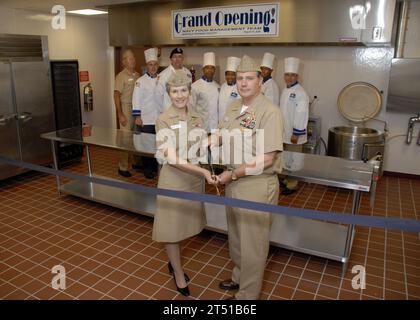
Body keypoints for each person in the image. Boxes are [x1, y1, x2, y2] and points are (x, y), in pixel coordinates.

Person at [212, 55, 284, 300]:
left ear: (260, 81)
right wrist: (206, 141)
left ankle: (247, 296)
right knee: (236, 237)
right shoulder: (234, 107)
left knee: (253, 245)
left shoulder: (269, 112)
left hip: (256, 184)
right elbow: (222, 132)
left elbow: (267, 158)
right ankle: (239, 277)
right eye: (240, 78)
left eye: (249, 78)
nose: (243, 83)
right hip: (233, 182)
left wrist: (232, 174)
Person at [153, 70, 218, 297]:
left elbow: (199, 147)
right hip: (173, 181)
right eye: (175, 91)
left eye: (183, 91)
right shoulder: (163, 119)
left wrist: (212, 148)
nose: (179, 96)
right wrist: (201, 170)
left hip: (192, 180)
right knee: (171, 230)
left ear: (189, 92)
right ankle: (178, 273)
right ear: (169, 94)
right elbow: (171, 157)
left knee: (185, 228)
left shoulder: (197, 117)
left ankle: (174, 262)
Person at [279, 57, 309, 195]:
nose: (289, 78)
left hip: (294, 134)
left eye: (292, 75)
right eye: (287, 75)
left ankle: (292, 185)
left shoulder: (301, 93)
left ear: (297, 76)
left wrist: (296, 133)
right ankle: (286, 180)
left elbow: (301, 113)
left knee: (294, 158)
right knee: (286, 158)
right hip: (285, 132)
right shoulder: (286, 90)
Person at [132, 47, 161, 179]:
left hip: (159, 119)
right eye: (150, 64)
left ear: (158, 65)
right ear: (147, 66)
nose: (153, 67)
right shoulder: (140, 81)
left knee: (157, 144)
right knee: (146, 145)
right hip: (146, 119)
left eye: (155, 64)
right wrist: (137, 116)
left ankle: (156, 167)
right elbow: (136, 100)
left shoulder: (162, 80)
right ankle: (148, 169)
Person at [114, 49, 140, 177]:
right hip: (125, 108)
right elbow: (116, 95)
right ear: (124, 61)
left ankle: (134, 162)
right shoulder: (121, 76)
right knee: (125, 138)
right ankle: (122, 167)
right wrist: (120, 114)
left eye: (134, 58)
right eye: (130, 58)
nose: (133, 60)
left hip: (136, 108)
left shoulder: (137, 75)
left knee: (135, 137)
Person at [190, 52, 220, 133]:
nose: (210, 70)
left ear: (215, 70)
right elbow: (190, 108)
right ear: (203, 69)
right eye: (207, 68)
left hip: (215, 128)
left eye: (212, 68)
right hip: (201, 127)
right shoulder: (195, 86)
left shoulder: (217, 86)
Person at [156, 47, 192, 111]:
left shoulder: (188, 73)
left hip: (184, 111)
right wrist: (163, 111)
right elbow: (158, 95)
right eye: (175, 57)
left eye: (180, 56)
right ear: (171, 59)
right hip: (169, 111)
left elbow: (189, 93)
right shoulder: (163, 75)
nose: (177, 59)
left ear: (183, 58)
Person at [218, 56, 241, 123]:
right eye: (228, 74)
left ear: (236, 75)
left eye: (232, 74)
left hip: (234, 122)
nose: (229, 77)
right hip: (221, 121)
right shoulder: (222, 86)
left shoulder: (240, 88)